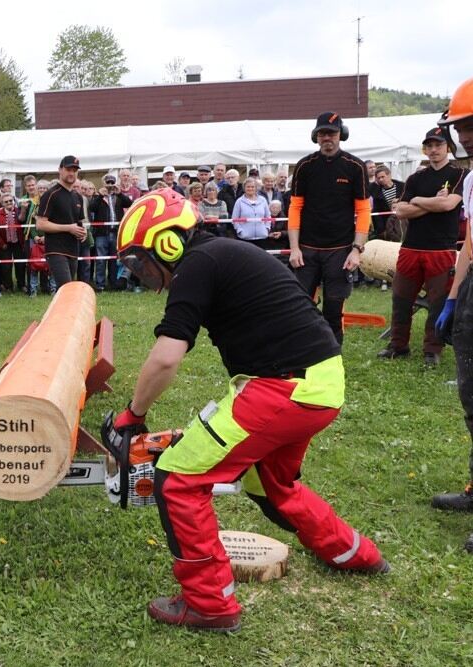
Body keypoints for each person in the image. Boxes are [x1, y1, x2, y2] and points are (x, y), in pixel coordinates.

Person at [112, 188, 388, 633]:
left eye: (138, 261)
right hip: (321, 383)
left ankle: (209, 605)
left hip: (282, 387)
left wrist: (133, 414)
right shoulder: (224, 253)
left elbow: (166, 357)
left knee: (179, 477)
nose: (140, 272)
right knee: (272, 483)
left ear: (168, 242)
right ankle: (357, 554)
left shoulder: (198, 264)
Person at [428, 80, 473, 548]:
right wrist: (456, 297)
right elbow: (472, 241)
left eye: (472, 125)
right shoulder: (472, 177)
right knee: (472, 395)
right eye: (461, 127)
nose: (467, 135)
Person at [379, 128, 467, 364]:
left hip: (441, 250)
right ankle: (398, 345)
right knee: (401, 299)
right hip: (410, 248)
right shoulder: (416, 179)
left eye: (438, 145)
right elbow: (401, 210)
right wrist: (430, 202)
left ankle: (432, 350)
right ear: (425, 149)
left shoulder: (460, 174)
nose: (433, 150)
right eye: (429, 146)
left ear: (447, 147)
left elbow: (449, 205)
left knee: (437, 303)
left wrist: (417, 202)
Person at [287, 112, 371, 344]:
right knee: (300, 307)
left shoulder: (355, 167)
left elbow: (363, 211)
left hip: (340, 251)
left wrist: (357, 250)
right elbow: (295, 207)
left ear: (340, 135)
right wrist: (294, 248)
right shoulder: (304, 166)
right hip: (306, 250)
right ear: (316, 136)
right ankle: (303, 353)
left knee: (334, 310)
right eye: (323, 133)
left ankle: (333, 357)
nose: (327, 138)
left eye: (332, 133)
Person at [36, 156, 87, 289]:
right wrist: (68, 228)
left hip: (73, 249)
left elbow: (79, 223)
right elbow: (40, 224)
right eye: (68, 169)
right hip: (56, 249)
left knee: (66, 290)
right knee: (67, 289)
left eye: (75, 170)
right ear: (60, 170)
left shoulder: (78, 197)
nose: (71, 173)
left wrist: (83, 232)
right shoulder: (51, 194)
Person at [91, 175, 132, 291]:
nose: (110, 185)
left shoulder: (118, 197)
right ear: (103, 183)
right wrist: (100, 195)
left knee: (114, 259)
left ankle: (113, 283)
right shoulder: (98, 196)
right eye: (108, 183)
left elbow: (129, 203)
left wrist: (119, 193)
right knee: (101, 259)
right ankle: (100, 284)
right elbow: (92, 207)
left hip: (115, 232)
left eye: (112, 183)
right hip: (101, 233)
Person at [0, 192, 27, 294]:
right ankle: (8, 286)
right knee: (6, 266)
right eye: (6, 201)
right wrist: (1, 243)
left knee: (20, 265)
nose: (9, 203)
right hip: (5, 243)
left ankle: (21, 285)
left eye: (10, 201)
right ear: (2, 203)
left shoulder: (18, 211)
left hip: (18, 243)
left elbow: (23, 222)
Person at [231, 178, 273, 248]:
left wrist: (267, 228)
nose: (250, 189)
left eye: (252, 187)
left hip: (262, 237)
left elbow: (268, 216)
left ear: (256, 188)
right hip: (245, 238)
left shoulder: (263, 200)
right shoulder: (239, 201)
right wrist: (240, 231)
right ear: (244, 188)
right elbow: (234, 219)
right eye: (248, 187)